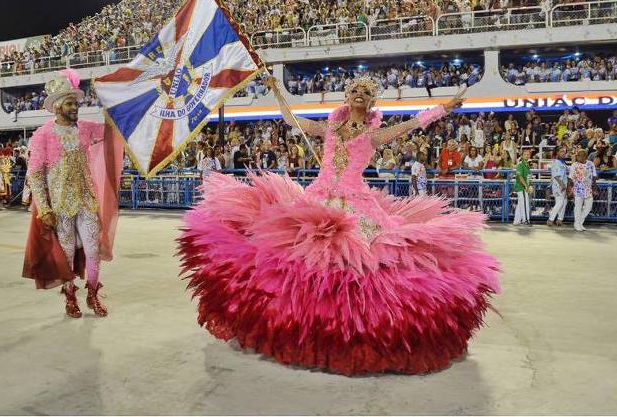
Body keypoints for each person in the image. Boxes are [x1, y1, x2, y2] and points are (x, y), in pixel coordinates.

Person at [178, 79, 500, 375]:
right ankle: (298, 323)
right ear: (347, 97)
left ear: (372, 102)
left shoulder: (373, 134)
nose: (359, 94)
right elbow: (292, 121)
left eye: (366, 92)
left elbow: (410, 125)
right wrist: (276, 92)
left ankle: (350, 330)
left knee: (359, 261)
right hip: (318, 196)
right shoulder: (330, 128)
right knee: (295, 256)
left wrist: (442, 109)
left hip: (354, 201)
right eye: (354, 90)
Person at [22, 69, 122, 318]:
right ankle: (70, 297)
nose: (75, 107)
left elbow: (112, 131)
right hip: (60, 207)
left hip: (87, 200)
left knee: (92, 251)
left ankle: (92, 295)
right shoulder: (42, 135)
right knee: (66, 254)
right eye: (70, 103)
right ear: (57, 107)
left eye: (76, 102)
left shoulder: (86, 129)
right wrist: (44, 209)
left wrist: (115, 109)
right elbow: (35, 174)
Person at [569, 149, 597, 232]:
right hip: (578, 188)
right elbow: (570, 178)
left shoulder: (591, 164)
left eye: (579, 155)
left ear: (585, 156)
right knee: (578, 207)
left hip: (588, 189)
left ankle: (579, 222)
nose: (577, 156)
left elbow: (594, 176)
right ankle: (577, 224)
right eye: (577, 155)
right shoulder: (574, 165)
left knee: (589, 206)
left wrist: (594, 187)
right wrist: (570, 189)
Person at [547, 146, 568, 227]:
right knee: (560, 202)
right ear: (557, 153)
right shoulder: (556, 162)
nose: (563, 153)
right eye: (561, 151)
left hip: (563, 185)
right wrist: (561, 184)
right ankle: (550, 219)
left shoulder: (562, 162)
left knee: (564, 202)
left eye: (564, 151)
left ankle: (559, 220)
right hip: (558, 185)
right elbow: (556, 175)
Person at [513, 148, 532, 226]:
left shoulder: (527, 164)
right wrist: (526, 186)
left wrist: (529, 185)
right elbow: (519, 176)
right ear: (522, 155)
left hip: (524, 187)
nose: (527, 156)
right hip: (521, 187)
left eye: (528, 154)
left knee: (520, 204)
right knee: (525, 204)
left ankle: (516, 221)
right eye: (525, 154)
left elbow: (527, 177)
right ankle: (525, 220)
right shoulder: (520, 164)